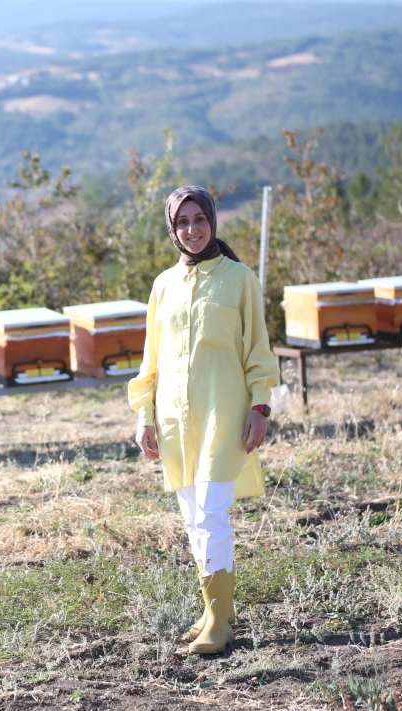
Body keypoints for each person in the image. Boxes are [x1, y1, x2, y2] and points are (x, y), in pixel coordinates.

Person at [129, 186, 280, 655]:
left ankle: (220, 625)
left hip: (224, 413)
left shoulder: (240, 279)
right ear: (172, 229)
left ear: (212, 221)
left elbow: (258, 350)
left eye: (199, 219)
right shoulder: (162, 286)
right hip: (175, 419)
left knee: (213, 513)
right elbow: (151, 361)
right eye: (182, 222)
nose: (192, 229)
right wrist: (144, 415)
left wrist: (260, 406)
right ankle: (217, 609)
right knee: (194, 518)